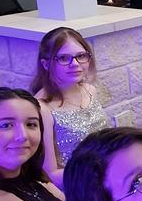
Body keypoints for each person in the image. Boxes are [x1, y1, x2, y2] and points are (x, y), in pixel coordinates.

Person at [30, 27, 110, 188]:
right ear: (46, 64)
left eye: (81, 56)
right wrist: (102, 172)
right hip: (76, 186)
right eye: (64, 58)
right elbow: (49, 174)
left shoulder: (90, 90)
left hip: (106, 173)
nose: (75, 64)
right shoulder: (41, 108)